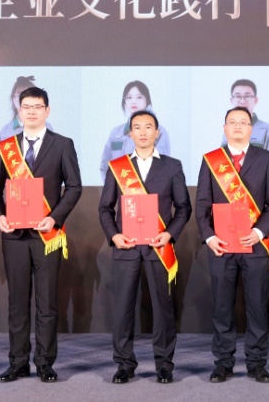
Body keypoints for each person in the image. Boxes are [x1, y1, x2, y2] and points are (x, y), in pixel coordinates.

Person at [0, 87, 83, 383]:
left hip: (47, 235)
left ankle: (44, 362)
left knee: (47, 302)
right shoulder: (7, 147)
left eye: (37, 106)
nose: (31, 111)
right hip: (14, 236)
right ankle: (17, 362)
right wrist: (0, 217)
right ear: (19, 110)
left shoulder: (62, 144)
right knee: (17, 303)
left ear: (47, 111)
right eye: (26, 106)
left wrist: (54, 218)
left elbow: (74, 187)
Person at [99, 110, 192, 384]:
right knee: (123, 308)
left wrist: (169, 234)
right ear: (130, 133)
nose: (142, 132)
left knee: (163, 308)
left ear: (157, 132)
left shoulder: (172, 166)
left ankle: (164, 364)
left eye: (148, 127)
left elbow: (183, 208)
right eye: (137, 127)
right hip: (126, 247)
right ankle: (124, 364)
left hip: (158, 248)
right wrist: (114, 236)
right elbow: (105, 208)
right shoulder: (118, 167)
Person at [196, 106, 269, 384]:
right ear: (224, 128)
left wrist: (259, 232)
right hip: (221, 246)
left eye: (243, 122)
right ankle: (223, 363)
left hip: (255, 245)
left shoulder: (266, 158)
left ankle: (257, 363)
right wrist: (209, 237)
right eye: (232, 122)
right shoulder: (212, 160)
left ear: (251, 128)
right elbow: (202, 205)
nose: (237, 126)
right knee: (222, 307)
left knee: (257, 306)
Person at [100, 81, 171, 179]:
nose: (133, 101)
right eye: (129, 97)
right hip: (118, 187)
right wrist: (112, 186)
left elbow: (161, 168)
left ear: (147, 101)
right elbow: (105, 165)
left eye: (139, 97)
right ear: (124, 102)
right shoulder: (116, 133)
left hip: (148, 188)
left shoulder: (158, 132)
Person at [221, 79, 269, 179]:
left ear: (255, 100)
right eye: (238, 96)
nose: (242, 101)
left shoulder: (268, 130)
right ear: (231, 100)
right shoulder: (228, 130)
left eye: (247, 96)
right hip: (230, 186)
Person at [0, 75, 54, 141]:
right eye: (19, 95)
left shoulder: (46, 127)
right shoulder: (5, 132)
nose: (23, 100)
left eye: (27, 96)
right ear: (13, 99)